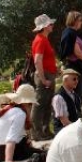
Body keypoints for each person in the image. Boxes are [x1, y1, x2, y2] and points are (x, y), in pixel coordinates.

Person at [0, 84, 41, 162]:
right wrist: (8, 160)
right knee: (42, 155)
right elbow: (11, 139)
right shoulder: (20, 114)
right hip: (3, 152)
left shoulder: (2, 108)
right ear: (28, 103)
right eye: (31, 104)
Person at [31, 13, 58, 141]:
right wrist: (43, 79)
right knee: (40, 104)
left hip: (48, 74)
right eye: (50, 24)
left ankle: (45, 130)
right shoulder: (40, 40)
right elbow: (37, 60)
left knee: (47, 104)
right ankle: (36, 132)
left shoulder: (44, 39)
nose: (52, 26)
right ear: (45, 26)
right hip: (45, 75)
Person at [59, 11, 82, 102]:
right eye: (80, 20)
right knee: (76, 92)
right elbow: (77, 52)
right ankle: (74, 114)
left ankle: (78, 113)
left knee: (81, 92)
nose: (81, 22)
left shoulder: (77, 33)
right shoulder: (69, 33)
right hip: (75, 67)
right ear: (74, 21)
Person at [52, 69, 82, 134]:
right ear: (65, 80)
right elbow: (65, 122)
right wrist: (80, 128)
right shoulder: (59, 97)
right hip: (63, 131)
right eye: (74, 79)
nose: (77, 81)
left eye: (77, 79)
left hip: (73, 128)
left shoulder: (75, 96)